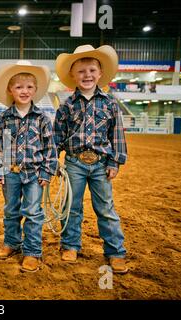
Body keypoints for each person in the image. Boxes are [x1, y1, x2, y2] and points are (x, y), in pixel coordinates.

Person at [53, 45, 129, 274]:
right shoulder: (66, 105)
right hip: (74, 163)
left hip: (101, 164)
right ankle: (70, 245)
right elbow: (57, 135)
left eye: (91, 70)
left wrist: (115, 161)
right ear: (73, 76)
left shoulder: (110, 104)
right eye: (81, 71)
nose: (87, 75)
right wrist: (54, 159)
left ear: (100, 73)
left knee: (105, 208)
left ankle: (115, 251)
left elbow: (117, 134)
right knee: (71, 206)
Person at [0, 61, 58, 273]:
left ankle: (32, 251)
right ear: (10, 90)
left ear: (35, 90)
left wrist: (47, 171)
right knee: (11, 210)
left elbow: (50, 148)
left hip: (35, 174)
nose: (24, 91)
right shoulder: (3, 119)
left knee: (33, 212)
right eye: (18, 87)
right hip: (10, 173)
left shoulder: (42, 119)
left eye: (29, 87)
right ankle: (11, 243)